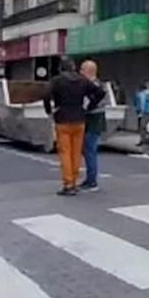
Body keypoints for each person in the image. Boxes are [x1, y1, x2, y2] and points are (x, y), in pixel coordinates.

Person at [43, 59, 105, 196]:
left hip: (63, 119)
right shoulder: (83, 80)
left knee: (65, 152)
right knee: (76, 152)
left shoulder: (56, 80)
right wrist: (90, 105)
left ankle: (68, 183)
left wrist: (49, 110)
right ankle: (75, 181)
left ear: (60, 69)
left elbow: (46, 94)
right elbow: (100, 93)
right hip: (80, 119)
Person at [79, 59, 106, 191]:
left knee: (89, 150)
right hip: (96, 119)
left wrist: (87, 107)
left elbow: (92, 102)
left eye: (82, 70)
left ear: (87, 71)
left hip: (92, 119)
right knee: (89, 150)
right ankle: (90, 179)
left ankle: (91, 181)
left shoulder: (92, 86)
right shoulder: (99, 84)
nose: (80, 72)